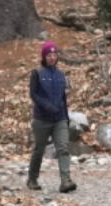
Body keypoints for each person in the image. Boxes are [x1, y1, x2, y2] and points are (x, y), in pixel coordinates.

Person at [28, 41, 76, 193]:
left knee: (63, 147)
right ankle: (32, 178)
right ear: (44, 56)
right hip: (41, 119)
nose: (52, 57)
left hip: (60, 118)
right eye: (49, 54)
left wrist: (66, 117)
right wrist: (47, 106)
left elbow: (63, 98)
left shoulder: (61, 75)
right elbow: (33, 94)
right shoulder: (37, 73)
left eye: (55, 54)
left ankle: (66, 181)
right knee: (39, 150)